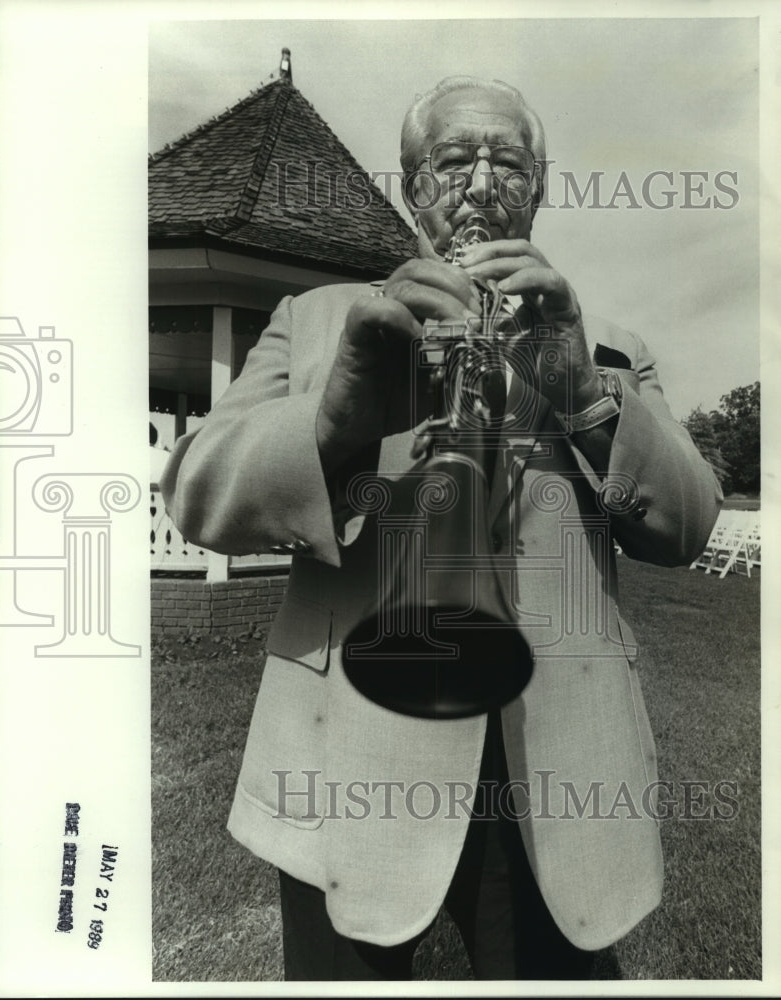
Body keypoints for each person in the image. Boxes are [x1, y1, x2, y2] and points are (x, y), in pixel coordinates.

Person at [161, 76, 722, 980]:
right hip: (349, 758)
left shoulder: (609, 346)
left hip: (558, 770)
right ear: (414, 189)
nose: (481, 179)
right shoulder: (314, 322)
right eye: (453, 160)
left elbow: (687, 524)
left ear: (538, 188)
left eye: (508, 161)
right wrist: (338, 414)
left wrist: (582, 390)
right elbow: (195, 494)